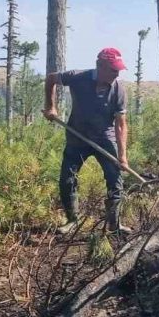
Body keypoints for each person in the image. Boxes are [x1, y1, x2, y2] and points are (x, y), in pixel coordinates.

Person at [43, 47, 130, 232]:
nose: (116, 73)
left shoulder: (119, 90)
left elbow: (120, 125)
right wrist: (50, 107)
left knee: (115, 178)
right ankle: (72, 221)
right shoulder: (77, 77)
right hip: (77, 136)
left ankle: (114, 224)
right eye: (113, 69)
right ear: (100, 65)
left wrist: (122, 157)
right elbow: (51, 79)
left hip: (104, 139)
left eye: (118, 70)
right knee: (67, 178)